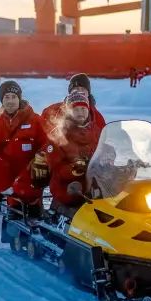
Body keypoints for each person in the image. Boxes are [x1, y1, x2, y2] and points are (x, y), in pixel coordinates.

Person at [0, 81, 46, 219]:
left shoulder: (35, 120)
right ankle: (14, 208)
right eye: (6, 97)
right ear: (2, 100)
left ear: (19, 98)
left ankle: (35, 209)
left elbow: (45, 147)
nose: (10, 101)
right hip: (9, 178)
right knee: (14, 217)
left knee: (35, 217)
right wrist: (0, 183)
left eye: (14, 97)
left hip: (31, 177)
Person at [44, 89, 103, 220]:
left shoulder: (96, 132)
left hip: (94, 192)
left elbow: (106, 149)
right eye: (75, 109)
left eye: (83, 108)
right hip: (68, 192)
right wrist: (73, 168)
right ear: (68, 111)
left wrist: (116, 161)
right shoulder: (58, 135)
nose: (80, 112)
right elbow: (54, 167)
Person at [40, 73, 106, 135]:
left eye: (83, 89)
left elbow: (104, 137)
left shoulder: (97, 117)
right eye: (76, 88)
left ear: (88, 93)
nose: (79, 91)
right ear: (70, 92)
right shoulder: (54, 110)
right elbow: (41, 128)